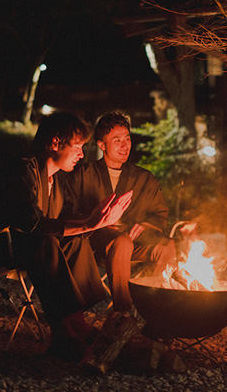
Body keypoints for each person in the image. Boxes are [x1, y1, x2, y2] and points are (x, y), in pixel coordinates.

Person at [0, 112, 133, 361]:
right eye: (77, 146)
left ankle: (77, 323)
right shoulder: (23, 171)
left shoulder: (57, 179)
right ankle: (62, 335)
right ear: (55, 143)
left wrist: (98, 222)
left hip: (21, 247)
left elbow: (66, 219)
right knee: (44, 240)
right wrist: (90, 223)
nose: (81, 154)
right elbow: (32, 224)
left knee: (75, 240)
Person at [65, 111, 175, 315]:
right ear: (101, 144)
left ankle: (157, 310)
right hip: (98, 245)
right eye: (117, 140)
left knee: (167, 246)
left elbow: (160, 212)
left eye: (127, 139)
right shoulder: (83, 174)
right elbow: (68, 210)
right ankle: (123, 312)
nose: (125, 146)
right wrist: (100, 221)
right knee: (122, 242)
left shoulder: (144, 178)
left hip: (136, 243)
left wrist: (147, 225)